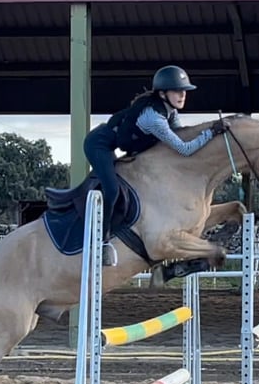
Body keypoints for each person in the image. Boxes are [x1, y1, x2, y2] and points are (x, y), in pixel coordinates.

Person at [83, 65, 229, 266]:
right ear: (162, 93)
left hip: (115, 144)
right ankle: (100, 242)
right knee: (111, 189)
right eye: (177, 91)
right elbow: (184, 149)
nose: (182, 95)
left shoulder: (170, 112)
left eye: (184, 90)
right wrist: (211, 133)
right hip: (98, 144)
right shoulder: (153, 118)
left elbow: (178, 137)